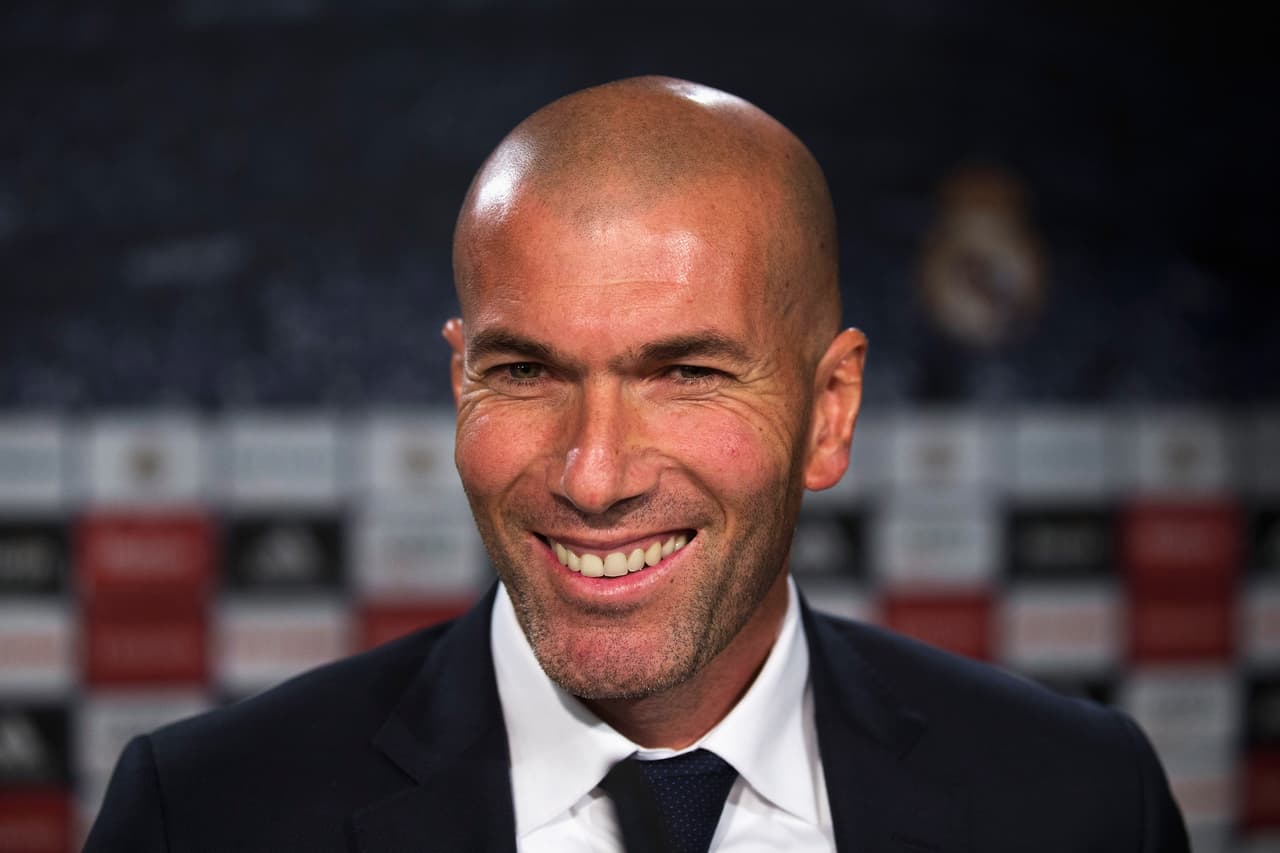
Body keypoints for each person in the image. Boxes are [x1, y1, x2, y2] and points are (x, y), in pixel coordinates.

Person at [85, 76, 1188, 853]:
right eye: (524, 374)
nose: (595, 474)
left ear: (828, 412)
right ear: (456, 381)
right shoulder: (207, 814)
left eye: (687, 373)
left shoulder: (1079, 801)